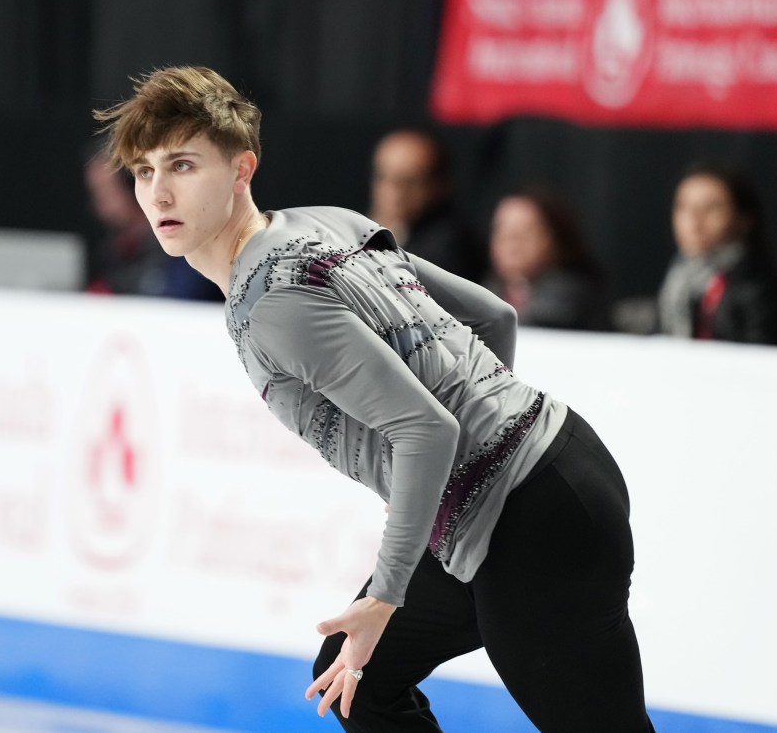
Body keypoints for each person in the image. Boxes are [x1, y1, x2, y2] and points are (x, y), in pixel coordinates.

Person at [94, 66, 655, 732]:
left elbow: (426, 429)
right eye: (143, 169)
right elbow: (494, 317)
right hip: (550, 468)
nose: (157, 191)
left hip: (533, 520)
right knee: (354, 676)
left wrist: (386, 593)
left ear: (241, 168)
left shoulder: (271, 303)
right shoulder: (325, 222)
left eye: (182, 165)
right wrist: (466, 471)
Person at [656, 163, 777, 346]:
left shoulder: (760, 288)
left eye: (710, 208)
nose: (694, 220)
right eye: (683, 207)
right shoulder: (679, 279)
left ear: (744, 219)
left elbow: (764, 360)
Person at [82, 143, 221, 300]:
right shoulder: (114, 251)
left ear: (133, 183)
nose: (98, 206)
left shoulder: (187, 247)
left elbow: (177, 308)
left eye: (103, 193)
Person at [486, 184, 611, 331]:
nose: (511, 243)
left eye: (525, 232)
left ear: (556, 238)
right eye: (502, 230)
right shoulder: (487, 290)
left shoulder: (570, 293)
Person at [368, 128, 485, 283]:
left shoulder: (447, 248)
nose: (394, 192)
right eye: (384, 178)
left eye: (409, 182)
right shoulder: (374, 233)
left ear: (439, 185)